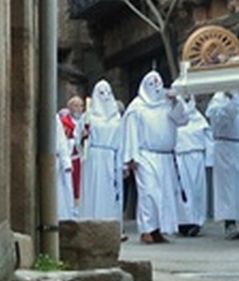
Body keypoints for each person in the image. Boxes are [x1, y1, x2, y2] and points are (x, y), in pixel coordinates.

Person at [121, 70, 189, 244]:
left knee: (165, 195)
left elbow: (182, 120)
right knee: (149, 193)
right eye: (151, 84)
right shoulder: (137, 107)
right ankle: (146, 229)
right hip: (145, 155)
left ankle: (159, 229)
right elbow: (130, 131)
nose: (156, 88)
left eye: (158, 83)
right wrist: (131, 157)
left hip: (165, 156)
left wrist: (177, 102)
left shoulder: (167, 103)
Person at [206, 90, 239, 238]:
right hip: (226, 146)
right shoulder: (220, 97)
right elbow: (219, 122)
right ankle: (229, 223)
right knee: (227, 187)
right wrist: (230, 102)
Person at [78, 80, 126, 224]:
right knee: (93, 190)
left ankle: (112, 224)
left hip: (110, 157)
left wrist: (122, 163)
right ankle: (91, 222)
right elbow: (78, 138)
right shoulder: (88, 117)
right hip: (94, 157)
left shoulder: (117, 119)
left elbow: (121, 141)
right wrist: (83, 137)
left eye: (107, 93)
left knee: (110, 192)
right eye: (101, 93)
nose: (104, 96)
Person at [173, 92, 214, 236]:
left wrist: (209, 160)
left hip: (197, 158)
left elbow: (208, 137)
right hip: (180, 157)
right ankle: (183, 221)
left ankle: (197, 221)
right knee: (183, 191)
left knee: (198, 190)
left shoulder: (198, 119)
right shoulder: (175, 118)